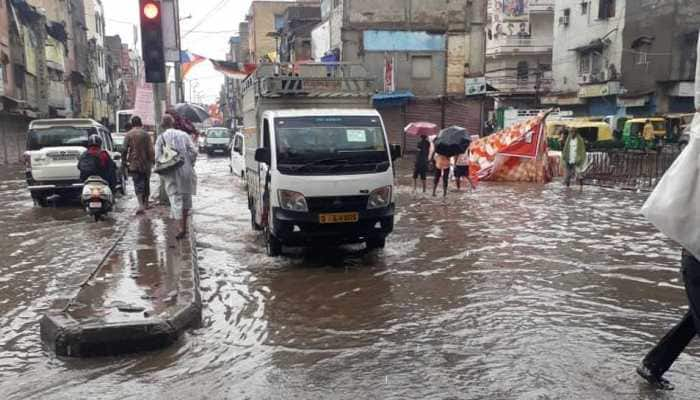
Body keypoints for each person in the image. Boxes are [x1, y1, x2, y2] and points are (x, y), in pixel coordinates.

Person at [638, 250, 700, 390]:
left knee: (692, 321)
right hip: (696, 264)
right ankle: (652, 365)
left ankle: (652, 365)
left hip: (693, 261)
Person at [155, 114, 198, 239]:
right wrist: (190, 163)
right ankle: (184, 227)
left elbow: (157, 157)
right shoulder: (184, 135)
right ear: (173, 123)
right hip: (186, 170)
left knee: (175, 199)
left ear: (163, 125)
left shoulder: (161, 138)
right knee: (186, 199)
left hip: (170, 172)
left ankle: (180, 228)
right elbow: (194, 151)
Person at [123, 116, 155, 215]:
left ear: (132, 124)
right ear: (141, 123)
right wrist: (153, 160)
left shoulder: (128, 134)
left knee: (137, 183)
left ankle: (140, 204)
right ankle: (146, 203)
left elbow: (124, 149)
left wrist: (123, 161)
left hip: (134, 163)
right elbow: (151, 150)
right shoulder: (146, 134)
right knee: (146, 182)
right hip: (146, 163)